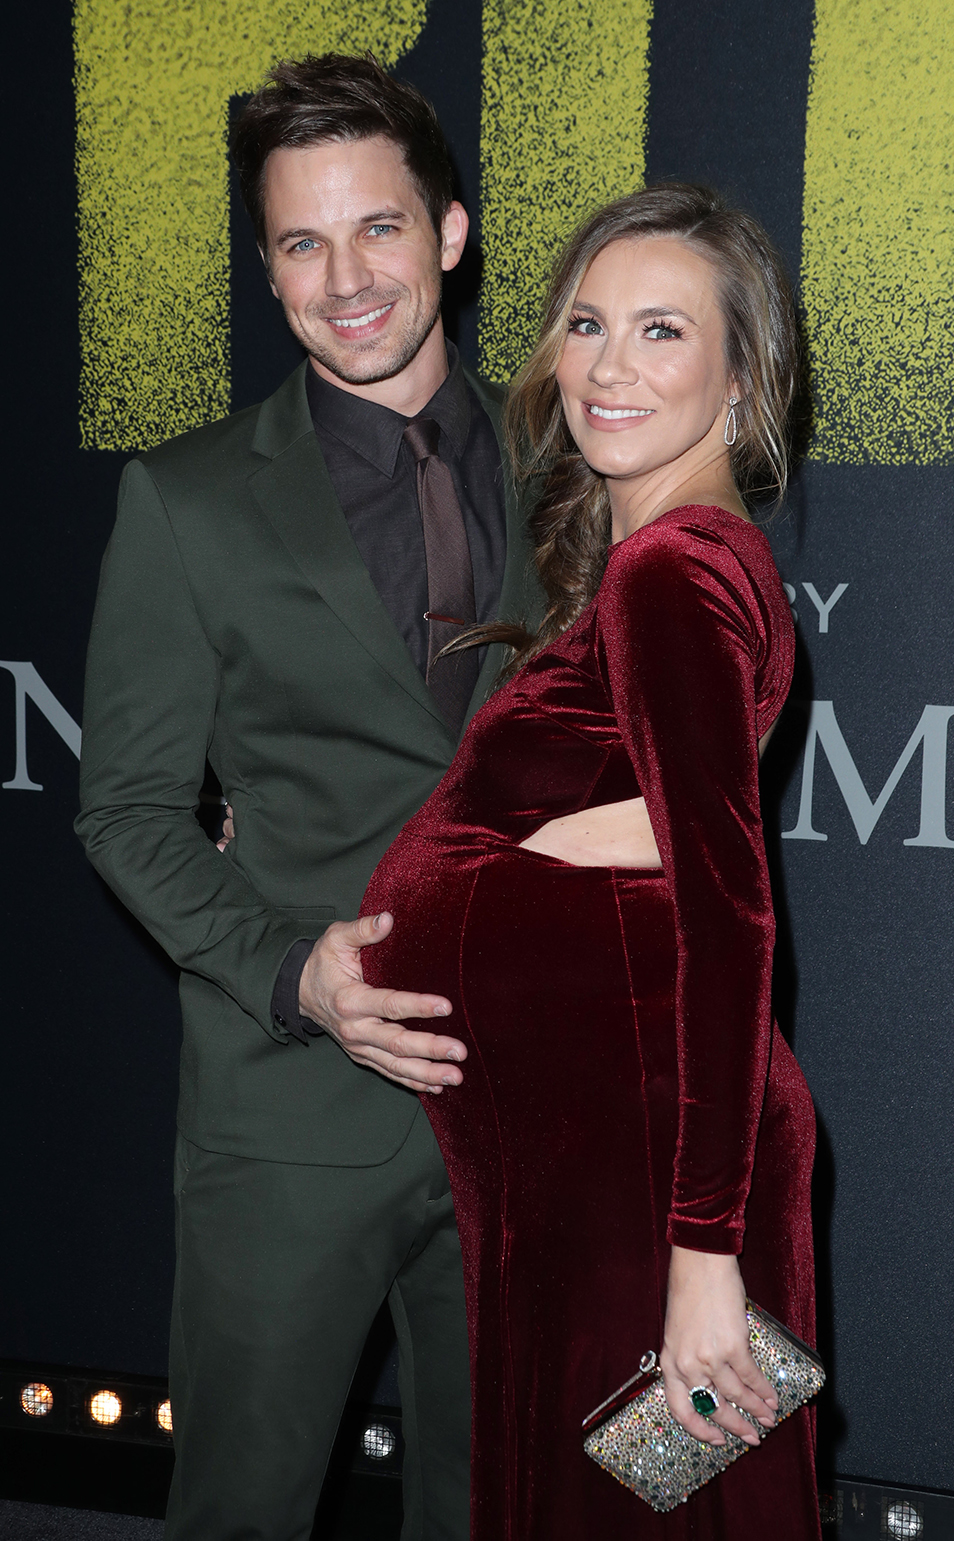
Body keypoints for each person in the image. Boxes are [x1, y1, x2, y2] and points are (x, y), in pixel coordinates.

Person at [75, 53, 539, 1541]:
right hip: (285, 1123)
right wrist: (296, 970)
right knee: (243, 1513)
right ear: (267, 267)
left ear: (450, 233)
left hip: (524, 1114)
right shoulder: (189, 499)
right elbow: (128, 811)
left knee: (497, 1510)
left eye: (379, 228)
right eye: (299, 241)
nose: (346, 278)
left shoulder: (579, 473)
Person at [361, 182, 821, 1539]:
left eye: (663, 331)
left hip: (653, 1175)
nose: (610, 364)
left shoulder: (672, 577)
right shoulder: (668, 566)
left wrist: (700, 1250)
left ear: (742, 388)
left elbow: (729, 917)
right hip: (598, 1156)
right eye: (586, 322)